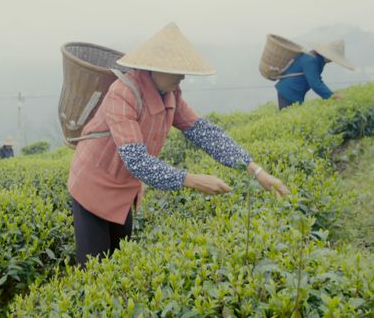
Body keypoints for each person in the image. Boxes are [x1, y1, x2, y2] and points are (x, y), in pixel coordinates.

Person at [67, 23, 290, 267]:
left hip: (124, 185)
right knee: (94, 265)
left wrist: (256, 171)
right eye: (175, 71)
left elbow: (205, 133)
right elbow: (137, 161)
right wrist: (193, 180)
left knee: (119, 258)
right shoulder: (123, 93)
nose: (182, 77)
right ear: (154, 68)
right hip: (94, 182)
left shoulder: (172, 94)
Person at [275, 40, 355, 110]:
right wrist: (332, 96)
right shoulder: (310, 60)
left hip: (296, 92)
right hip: (288, 91)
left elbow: (317, 80)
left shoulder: (318, 60)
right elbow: (315, 83)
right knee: (290, 119)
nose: (332, 61)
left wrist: (331, 94)